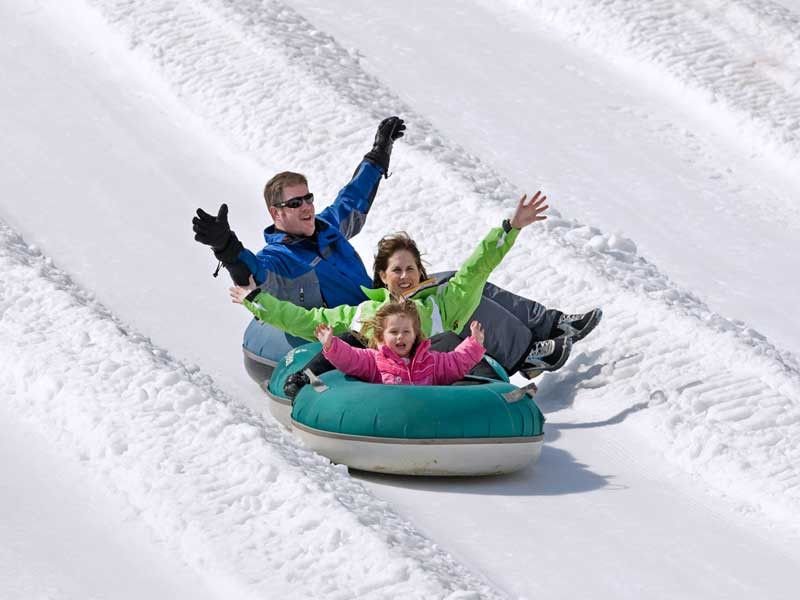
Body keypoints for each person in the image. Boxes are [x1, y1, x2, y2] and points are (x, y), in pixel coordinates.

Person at [229, 192, 560, 393]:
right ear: (383, 277)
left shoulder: (443, 302)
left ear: (420, 273)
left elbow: (476, 268)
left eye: (410, 269)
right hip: (382, 386)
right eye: (396, 270)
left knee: (449, 344)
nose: (404, 276)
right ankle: (306, 379)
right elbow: (301, 319)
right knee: (347, 339)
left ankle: (497, 397)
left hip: (435, 383)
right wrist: (256, 300)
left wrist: (510, 227)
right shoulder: (362, 312)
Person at [193, 116, 407, 362]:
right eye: (295, 203)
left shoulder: (328, 226)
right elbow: (252, 272)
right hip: (344, 336)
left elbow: (352, 197)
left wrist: (378, 154)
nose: (307, 207)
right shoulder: (279, 259)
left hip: (378, 317)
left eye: (308, 198)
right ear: (276, 213)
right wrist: (226, 246)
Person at [314, 301, 486, 386]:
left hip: (424, 417)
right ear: (381, 337)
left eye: (406, 332)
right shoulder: (375, 360)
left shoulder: (430, 361)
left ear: (415, 335)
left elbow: (455, 362)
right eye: (394, 332)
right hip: (391, 421)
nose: (400, 337)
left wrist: (474, 344)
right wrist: (331, 344)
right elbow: (351, 358)